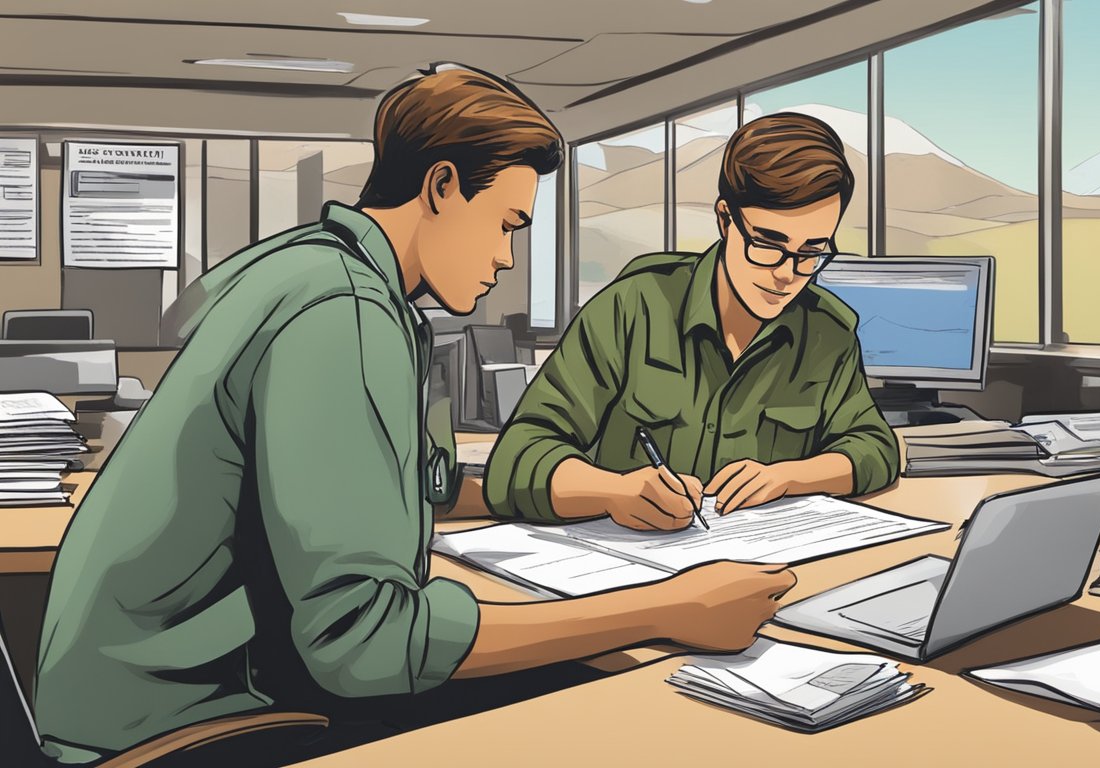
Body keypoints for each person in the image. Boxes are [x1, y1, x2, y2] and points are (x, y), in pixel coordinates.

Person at [33, 65, 794, 764]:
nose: (506, 259)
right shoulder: (343, 310)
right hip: (181, 724)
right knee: (607, 722)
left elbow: (423, 485)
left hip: (147, 691)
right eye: (506, 224)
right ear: (440, 186)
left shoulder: (327, 271)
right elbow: (364, 644)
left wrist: (603, 491)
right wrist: (664, 608)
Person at [486, 113, 900, 531]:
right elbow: (517, 458)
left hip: (765, 563)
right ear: (725, 219)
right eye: (767, 244)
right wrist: (614, 492)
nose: (787, 273)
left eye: (811, 252)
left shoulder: (827, 332)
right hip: (632, 566)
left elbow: (875, 449)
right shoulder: (633, 307)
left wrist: (788, 477)